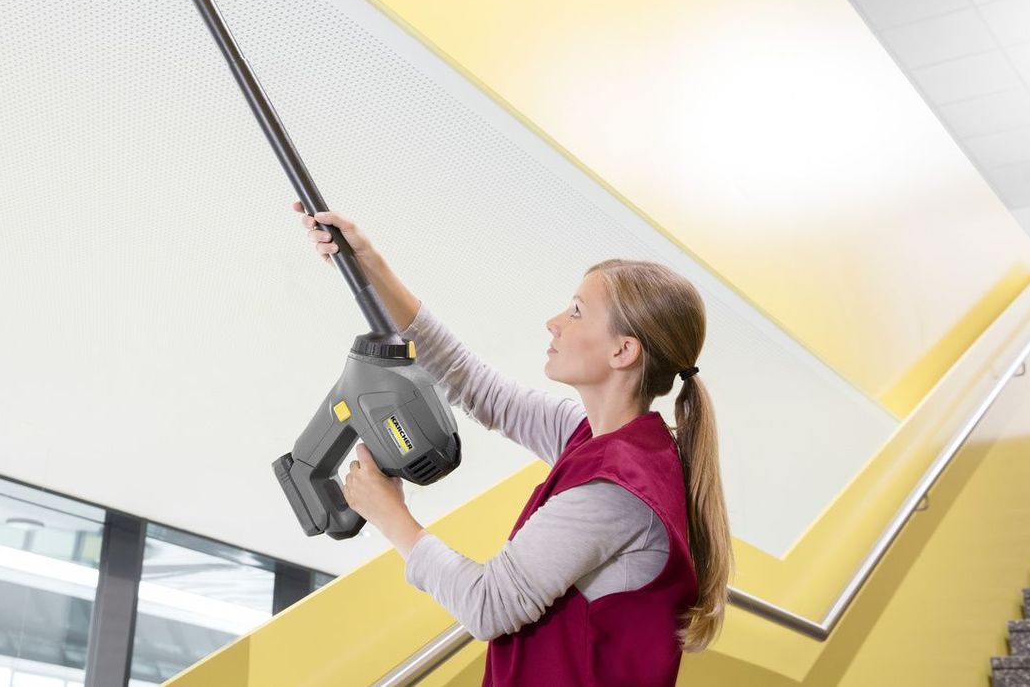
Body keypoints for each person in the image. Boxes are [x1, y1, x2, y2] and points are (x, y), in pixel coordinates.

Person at [292, 202, 732, 686]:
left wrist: (388, 513)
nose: (554, 321)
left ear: (622, 351)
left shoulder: (617, 492)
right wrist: (369, 262)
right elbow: (478, 388)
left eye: (578, 312)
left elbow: (489, 605)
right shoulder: (597, 438)